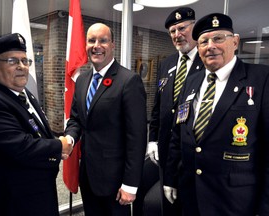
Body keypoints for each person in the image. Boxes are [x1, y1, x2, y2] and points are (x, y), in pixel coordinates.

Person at [164, 12, 269, 216]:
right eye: (203, 41)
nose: (210, 46)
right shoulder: (191, 81)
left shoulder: (261, 79)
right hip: (191, 194)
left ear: (235, 41)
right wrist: (170, 178)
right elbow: (178, 133)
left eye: (218, 38)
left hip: (236, 201)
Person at [0, 33, 73, 216]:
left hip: (35, 191)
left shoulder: (21, 91)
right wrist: (59, 145)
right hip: (13, 200)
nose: (22, 67)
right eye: (12, 61)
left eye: (25, 61)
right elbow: (20, 146)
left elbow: (37, 129)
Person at [64, 23, 147, 216]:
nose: (96, 45)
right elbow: (76, 120)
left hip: (116, 181)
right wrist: (69, 139)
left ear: (112, 45)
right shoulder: (83, 80)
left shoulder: (128, 81)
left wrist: (130, 184)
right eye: (91, 40)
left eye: (103, 40)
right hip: (88, 174)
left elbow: (137, 137)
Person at [137, 7, 204, 216]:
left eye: (182, 28)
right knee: (169, 206)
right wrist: (153, 139)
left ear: (195, 27)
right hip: (167, 151)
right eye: (173, 31)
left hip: (193, 153)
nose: (177, 35)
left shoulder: (208, 61)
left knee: (190, 204)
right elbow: (159, 106)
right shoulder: (167, 63)